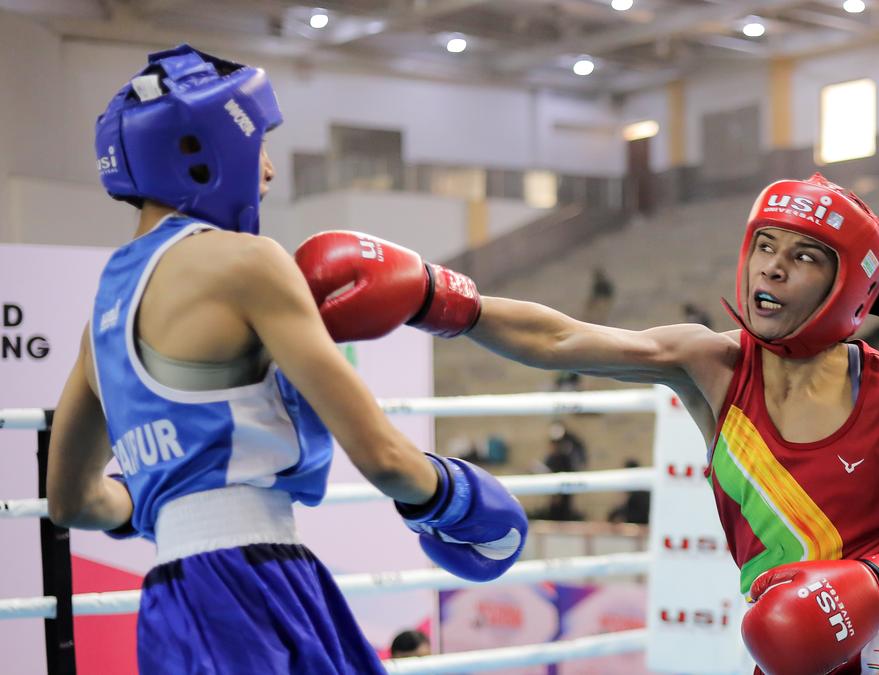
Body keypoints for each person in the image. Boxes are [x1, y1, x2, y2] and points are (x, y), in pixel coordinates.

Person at [296, 173, 879, 674]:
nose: (773, 268)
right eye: (766, 245)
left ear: (851, 287)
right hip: (786, 654)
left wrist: (876, 589)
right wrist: (435, 296)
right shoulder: (713, 362)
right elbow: (562, 340)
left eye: (805, 256)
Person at [45, 45, 526, 674]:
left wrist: (163, 498)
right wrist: (458, 499)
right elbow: (384, 459)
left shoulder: (100, 316)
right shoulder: (248, 261)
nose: (266, 171)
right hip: (259, 582)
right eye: (258, 146)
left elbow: (72, 502)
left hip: (168, 602)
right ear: (203, 150)